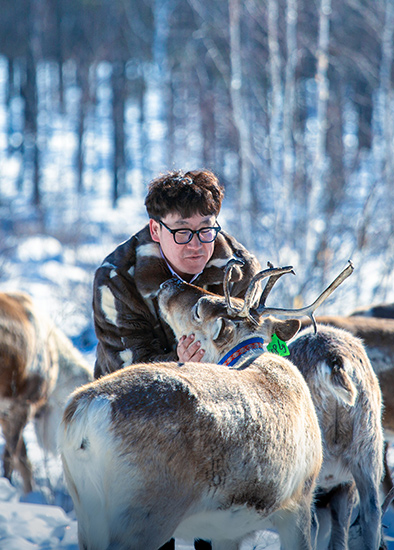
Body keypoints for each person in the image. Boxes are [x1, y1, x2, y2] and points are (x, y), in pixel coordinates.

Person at [90, 169, 261, 550]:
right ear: (156, 230)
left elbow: (260, 348)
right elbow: (126, 376)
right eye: (181, 231)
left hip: (219, 418)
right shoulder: (117, 277)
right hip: (136, 423)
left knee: (218, 533)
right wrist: (178, 364)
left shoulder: (240, 267)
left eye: (206, 229)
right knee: (149, 533)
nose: (196, 244)